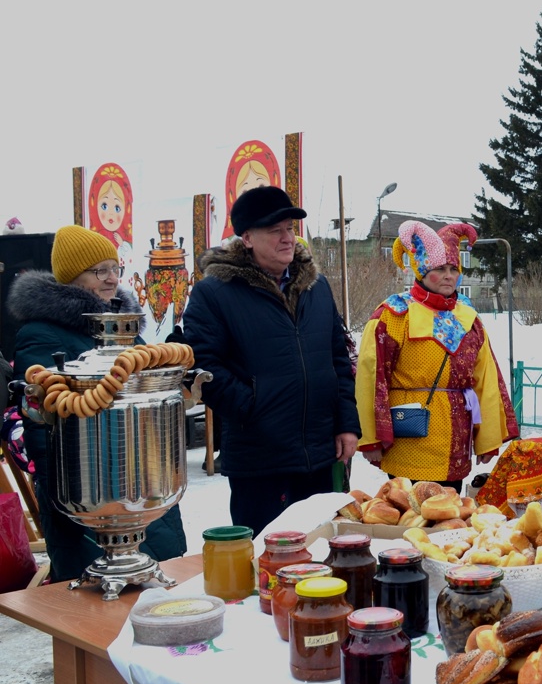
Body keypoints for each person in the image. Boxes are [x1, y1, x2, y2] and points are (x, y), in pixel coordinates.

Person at [9, 225, 186, 581]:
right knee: (95, 597)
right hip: (90, 486)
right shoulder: (40, 333)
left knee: (159, 577)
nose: (110, 279)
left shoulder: (123, 329)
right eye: (98, 271)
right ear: (72, 277)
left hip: (143, 474)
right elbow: (43, 421)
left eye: (114, 268)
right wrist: (70, 492)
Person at [184, 186, 359, 535]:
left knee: (321, 554)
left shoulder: (316, 287)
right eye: (275, 231)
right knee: (269, 562)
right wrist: (254, 407)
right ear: (247, 238)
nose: (287, 238)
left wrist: (345, 422)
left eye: (290, 229)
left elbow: (338, 359)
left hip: (319, 454)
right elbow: (204, 367)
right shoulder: (215, 292)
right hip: (261, 459)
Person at [355, 221, 517, 489]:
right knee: (410, 520)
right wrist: (370, 437)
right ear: (421, 271)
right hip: (409, 440)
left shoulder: (469, 318)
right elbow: (372, 379)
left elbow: (486, 381)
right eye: (440, 269)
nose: (448, 275)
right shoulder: (394, 315)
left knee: (450, 519)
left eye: (454, 269)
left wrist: (487, 437)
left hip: (456, 442)